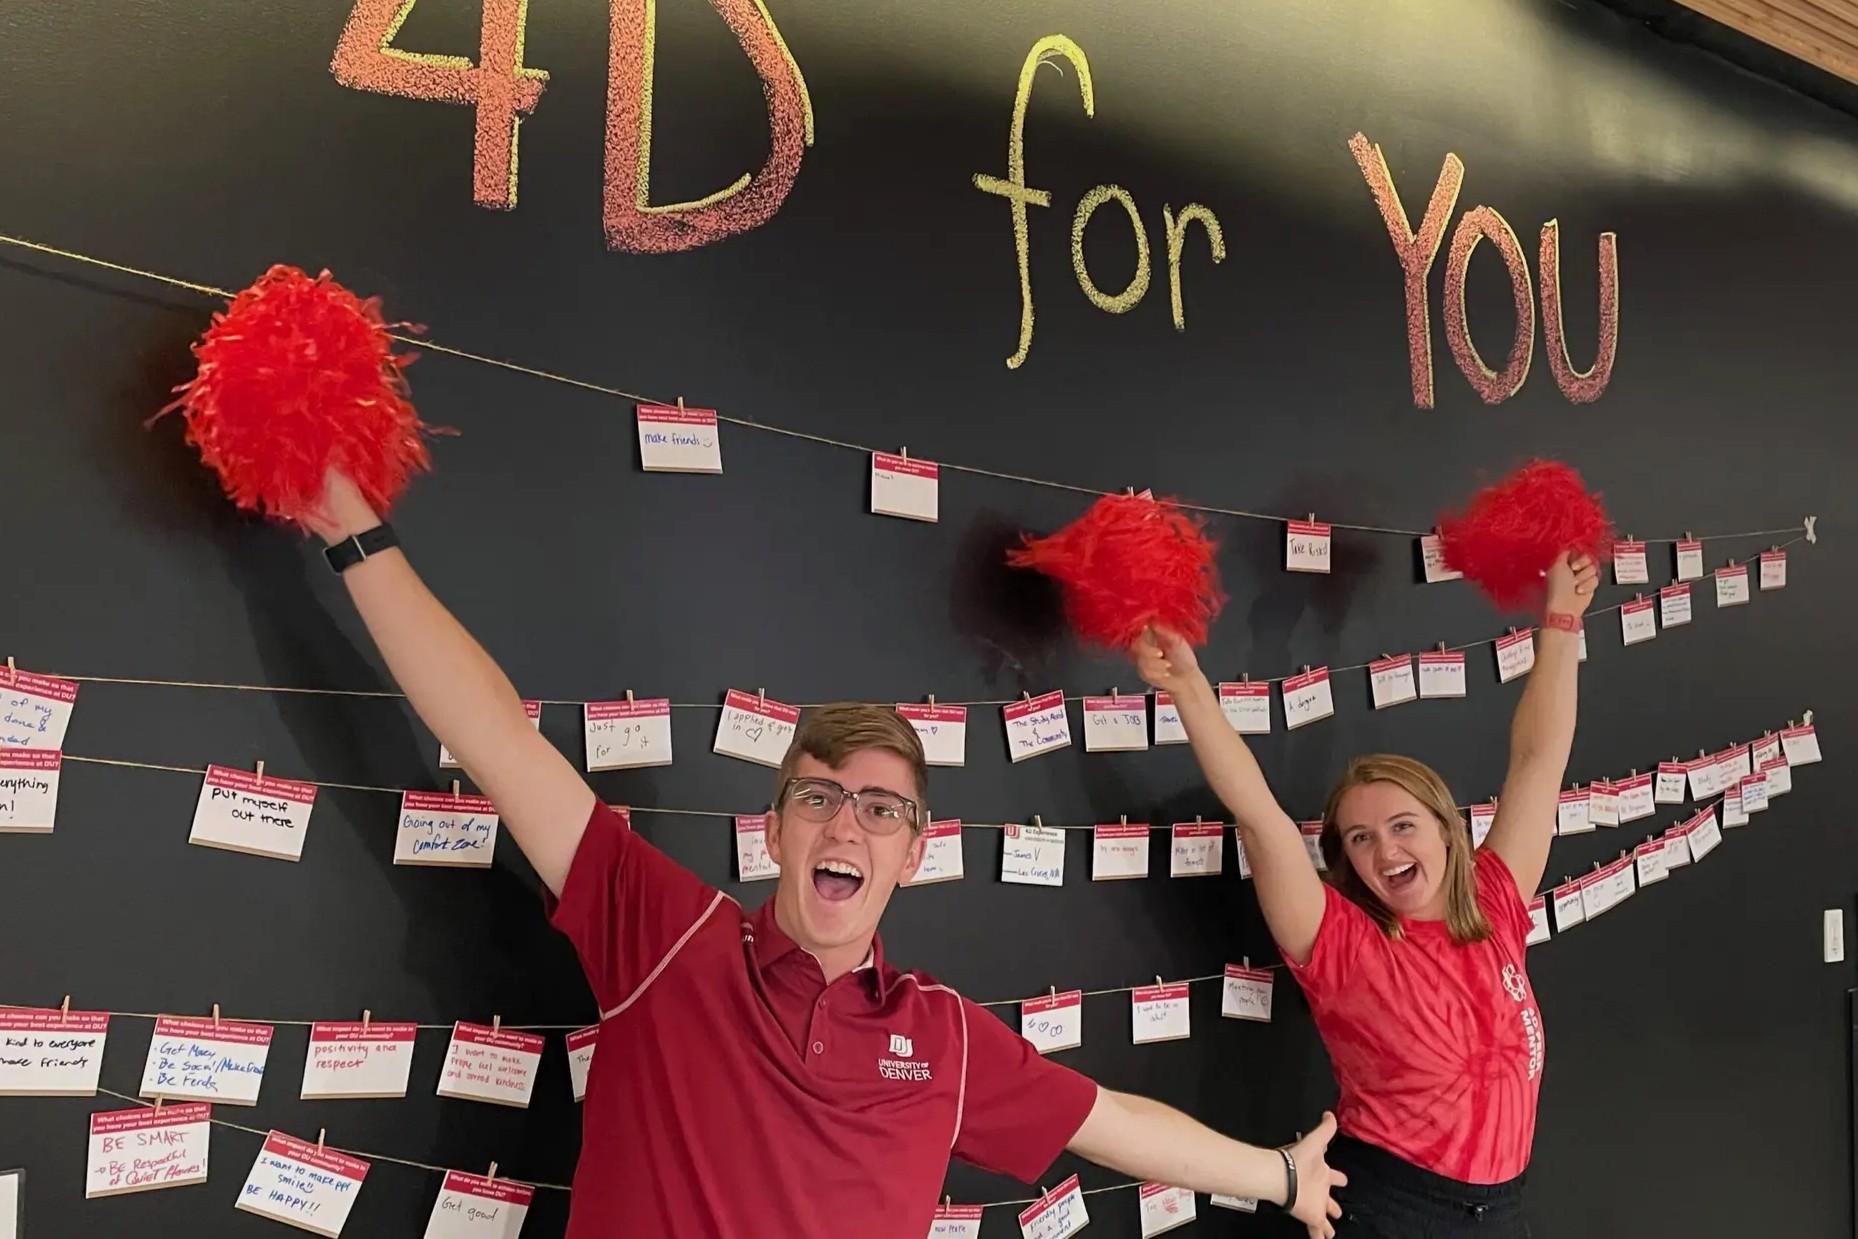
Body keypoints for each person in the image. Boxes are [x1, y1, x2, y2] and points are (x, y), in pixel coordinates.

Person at [305, 469, 1346, 1239]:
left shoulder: (939, 1036)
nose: (846, 825)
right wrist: (353, 527)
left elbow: (1111, 1124)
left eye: (880, 811)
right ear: (773, 829)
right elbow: (493, 736)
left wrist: (1281, 1179)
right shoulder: (665, 933)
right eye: (819, 797)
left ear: (914, 852)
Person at [1134, 552, 1599, 1238]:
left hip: (1501, 1212)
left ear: (1446, 830)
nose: (1385, 850)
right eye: (1359, 838)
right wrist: (1191, 692)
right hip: (1387, 1210)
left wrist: (1560, 622)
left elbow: (1539, 760)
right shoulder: (1341, 942)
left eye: (1402, 826)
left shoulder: (1497, 902)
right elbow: (1262, 818)